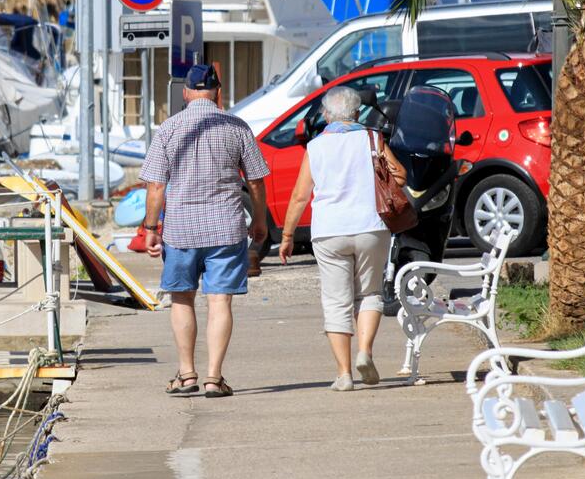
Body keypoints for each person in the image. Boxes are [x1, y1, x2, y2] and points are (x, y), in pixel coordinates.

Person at [140, 64, 270, 398]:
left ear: (185, 93)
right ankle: (214, 377)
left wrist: (151, 227)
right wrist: (259, 221)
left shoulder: (168, 129)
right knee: (219, 301)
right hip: (226, 228)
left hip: (181, 230)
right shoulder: (237, 127)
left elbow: (156, 186)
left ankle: (186, 375)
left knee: (181, 299)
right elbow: (255, 179)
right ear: (217, 92)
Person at [278, 86, 406, 391]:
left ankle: (345, 374)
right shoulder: (373, 139)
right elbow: (399, 175)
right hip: (371, 226)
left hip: (329, 231)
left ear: (326, 115)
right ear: (357, 113)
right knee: (370, 293)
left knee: (336, 302)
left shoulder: (316, 147)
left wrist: (287, 236)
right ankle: (365, 352)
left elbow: (299, 197)